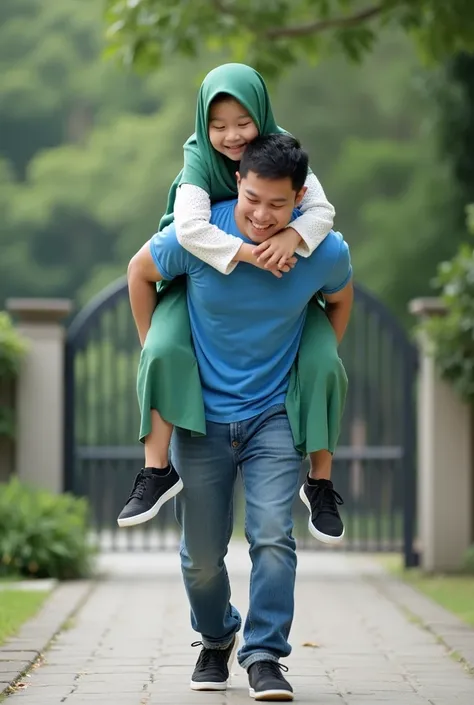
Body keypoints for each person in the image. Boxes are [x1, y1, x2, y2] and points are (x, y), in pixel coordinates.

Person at [126, 133, 353, 701]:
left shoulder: (321, 249)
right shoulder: (202, 235)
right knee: (201, 557)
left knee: (273, 536)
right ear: (238, 185)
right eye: (253, 198)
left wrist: (316, 357)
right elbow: (139, 271)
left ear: (300, 199)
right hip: (201, 419)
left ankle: (264, 655)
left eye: (278, 204)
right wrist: (159, 353)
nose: (261, 215)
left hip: (274, 417)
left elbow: (341, 297)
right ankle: (217, 635)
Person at [117, 64, 348, 545]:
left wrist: (292, 235)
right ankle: (156, 470)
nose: (231, 135)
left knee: (325, 360)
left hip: (273, 260)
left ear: (262, 116)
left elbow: (322, 211)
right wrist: (250, 255)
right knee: (161, 351)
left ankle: (321, 481)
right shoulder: (198, 157)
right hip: (194, 266)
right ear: (204, 123)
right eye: (218, 124)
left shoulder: (284, 151)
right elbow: (189, 232)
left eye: (243, 123)